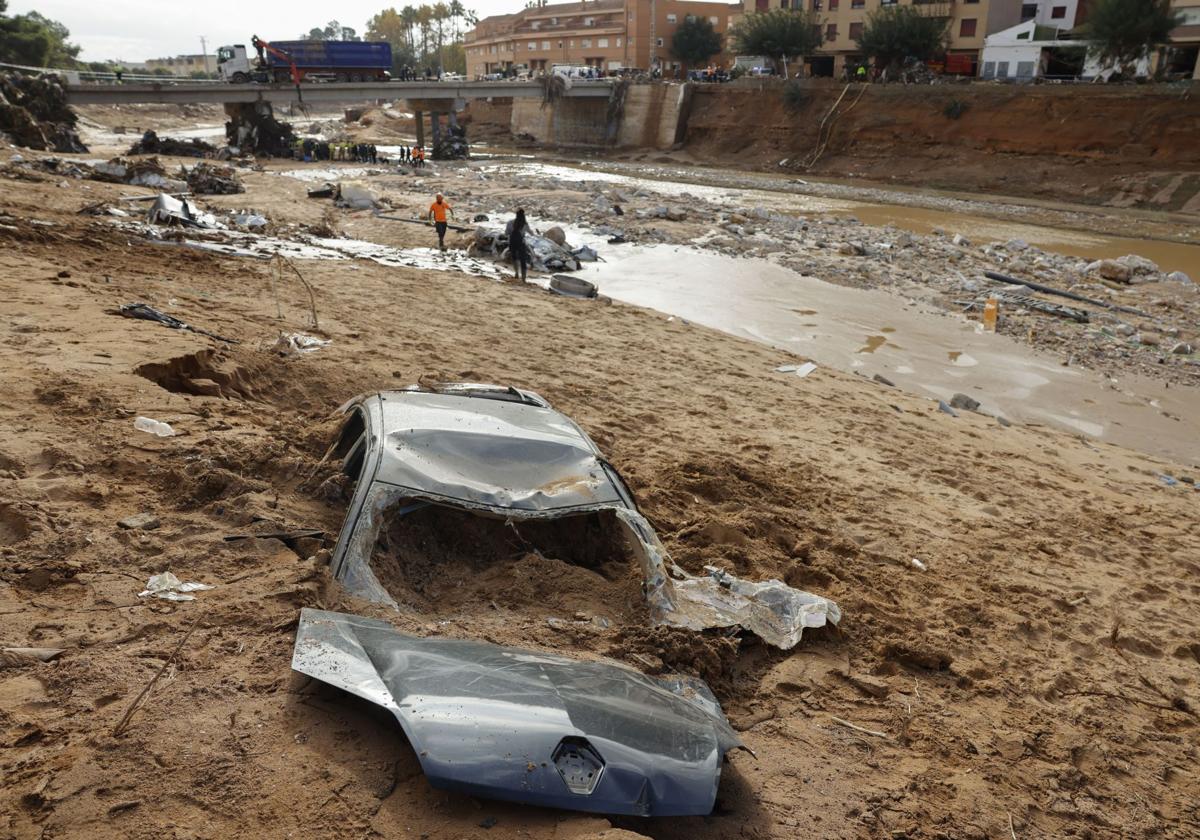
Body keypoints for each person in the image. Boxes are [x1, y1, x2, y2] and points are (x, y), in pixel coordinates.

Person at [506, 208, 530, 281]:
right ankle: (523, 278)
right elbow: (530, 232)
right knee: (523, 260)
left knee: (514, 258)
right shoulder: (525, 224)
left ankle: (516, 273)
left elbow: (506, 233)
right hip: (521, 243)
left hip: (512, 242)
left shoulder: (510, 222)